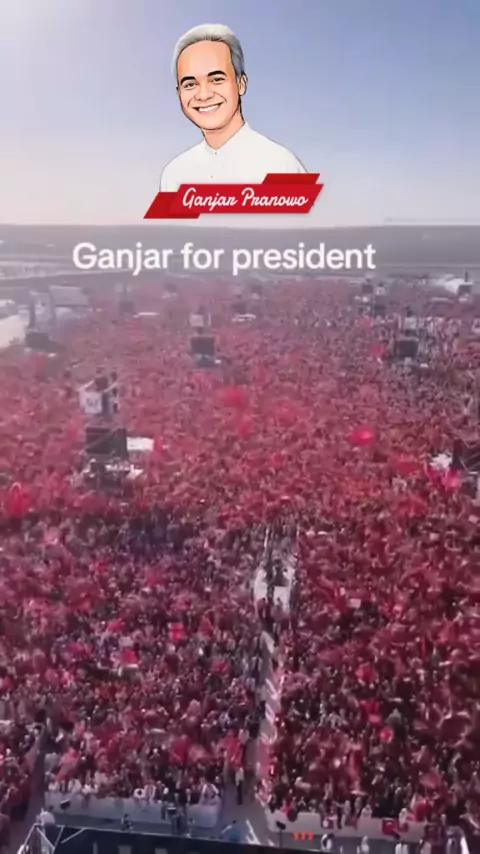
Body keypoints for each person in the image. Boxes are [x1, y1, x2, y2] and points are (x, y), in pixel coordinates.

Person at [160, 24, 306, 191]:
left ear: (241, 84)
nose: (204, 95)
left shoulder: (281, 168)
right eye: (190, 84)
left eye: (216, 80)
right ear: (179, 93)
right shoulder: (175, 175)